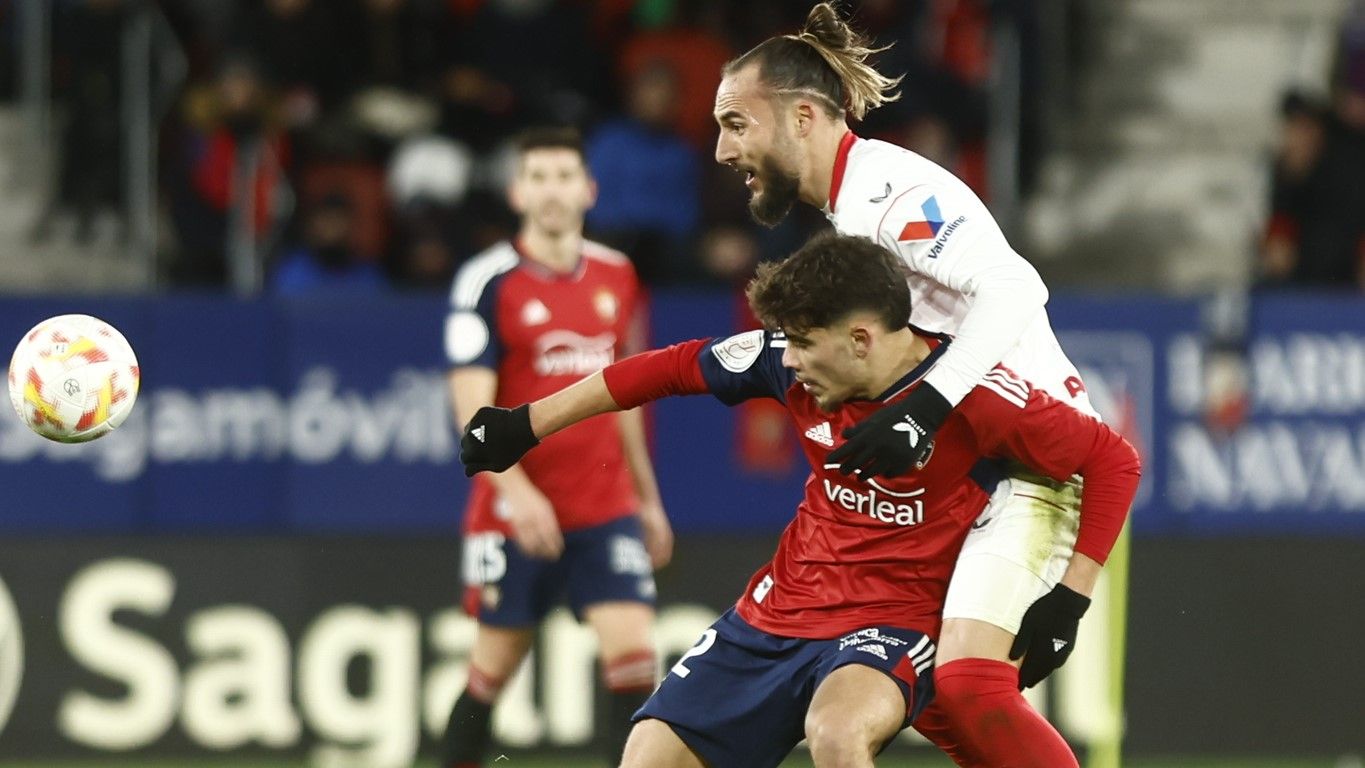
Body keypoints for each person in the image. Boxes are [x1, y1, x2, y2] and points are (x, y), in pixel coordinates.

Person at [459, 231, 1141, 768]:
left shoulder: (975, 395)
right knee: (647, 759)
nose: (788, 362)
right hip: (776, 613)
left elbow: (1111, 459)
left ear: (862, 339)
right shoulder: (784, 359)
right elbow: (660, 370)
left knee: (837, 735)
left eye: (805, 346)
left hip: (894, 621)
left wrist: (1069, 598)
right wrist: (525, 423)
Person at [710, 3, 1106, 758]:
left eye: (735, 123)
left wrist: (924, 406)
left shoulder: (888, 197)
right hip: (981, 465)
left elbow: (1014, 289)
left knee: (962, 687)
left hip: (1035, 461)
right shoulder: (851, 212)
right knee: (919, 692)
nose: (723, 149)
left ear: (800, 117)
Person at [439, 128, 672, 768]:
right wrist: (517, 493)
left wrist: (647, 499)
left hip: (605, 504)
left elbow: (626, 393)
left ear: (589, 189)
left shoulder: (618, 276)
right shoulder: (486, 281)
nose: (552, 190)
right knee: (491, 671)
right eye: (537, 176)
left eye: (565, 175)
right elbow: (471, 410)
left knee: (633, 658)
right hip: (517, 512)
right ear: (517, 191)